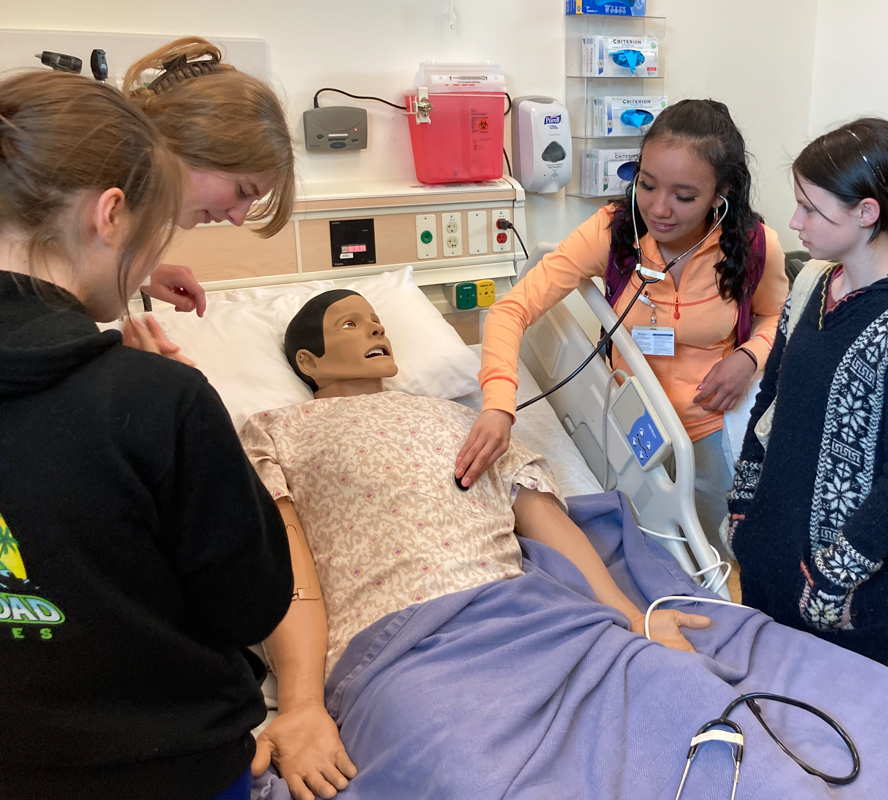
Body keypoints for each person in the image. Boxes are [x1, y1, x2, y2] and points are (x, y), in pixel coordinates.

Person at [241, 290, 710, 800]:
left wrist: (628, 614)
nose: (377, 330)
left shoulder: (463, 417)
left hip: (531, 615)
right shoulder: (274, 432)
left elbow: (536, 510)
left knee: (688, 713)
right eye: (351, 324)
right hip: (401, 648)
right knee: (469, 775)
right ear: (308, 361)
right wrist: (302, 703)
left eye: (377, 320)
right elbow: (282, 566)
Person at [0, 72, 293, 800]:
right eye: (244, 192)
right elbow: (252, 601)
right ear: (112, 214)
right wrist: (192, 418)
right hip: (173, 765)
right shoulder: (159, 402)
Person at [459, 99, 789, 553]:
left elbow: (777, 317)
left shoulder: (754, 246)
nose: (659, 209)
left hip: (714, 427)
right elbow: (509, 310)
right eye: (647, 185)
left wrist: (749, 357)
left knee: (721, 555)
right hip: (630, 426)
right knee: (645, 556)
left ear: (721, 192)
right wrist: (499, 404)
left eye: (684, 196)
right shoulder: (614, 232)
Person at [724, 118, 888, 666]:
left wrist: (833, 577)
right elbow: (771, 403)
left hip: (844, 598)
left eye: (811, 208)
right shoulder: (810, 284)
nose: (795, 221)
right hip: (771, 563)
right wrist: (744, 508)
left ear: (866, 212)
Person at [123, 36, 296, 319]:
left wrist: (140, 273)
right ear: (186, 142)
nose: (239, 218)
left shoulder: (114, 228)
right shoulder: (76, 206)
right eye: (243, 191)